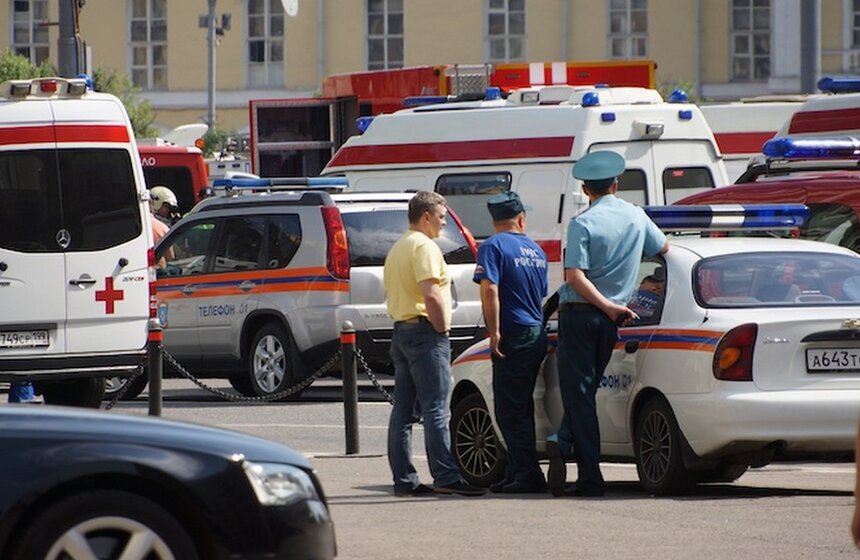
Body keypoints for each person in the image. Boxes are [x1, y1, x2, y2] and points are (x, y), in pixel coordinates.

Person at [547, 151, 669, 497]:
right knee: (585, 391)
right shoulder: (636, 216)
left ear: (586, 190)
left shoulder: (582, 223)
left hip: (581, 314)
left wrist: (605, 304)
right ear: (617, 184)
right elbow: (664, 249)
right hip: (613, 321)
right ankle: (564, 438)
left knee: (580, 395)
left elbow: (575, 277)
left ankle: (589, 477)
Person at [383, 191, 485, 497]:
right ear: (425, 216)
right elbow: (430, 292)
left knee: (402, 412)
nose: (443, 223)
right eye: (441, 217)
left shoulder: (399, 247)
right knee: (436, 410)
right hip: (425, 333)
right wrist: (441, 330)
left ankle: (404, 479)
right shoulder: (425, 247)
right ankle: (446, 475)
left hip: (401, 330)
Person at [473, 191, 548, 493]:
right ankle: (517, 470)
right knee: (521, 406)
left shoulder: (492, 246)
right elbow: (540, 295)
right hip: (535, 333)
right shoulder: (537, 251)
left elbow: (489, 290)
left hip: (513, 335)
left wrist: (494, 332)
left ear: (495, 221)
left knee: (508, 409)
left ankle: (528, 475)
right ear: (520, 219)